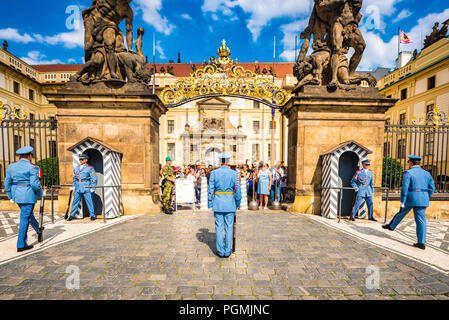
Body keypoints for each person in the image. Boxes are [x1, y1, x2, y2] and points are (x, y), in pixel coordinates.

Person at [382, 155, 436, 250]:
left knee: (401, 212)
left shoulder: (408, 172)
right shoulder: (427, 173)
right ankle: (421, 242)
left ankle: (391, 226)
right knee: (421, 220)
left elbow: (405, 188)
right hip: (422, 199)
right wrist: (426, 196)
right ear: (418, 163)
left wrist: (402, 200)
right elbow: (432, 188)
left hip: (410, 198)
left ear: (411, 162)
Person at [5, 146, 45, 252]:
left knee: (27, 215)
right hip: (27, 195)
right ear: (30, 156)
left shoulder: (11, 166)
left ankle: (38, 229)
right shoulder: (32, 167)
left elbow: (7, 182)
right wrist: (41, 193)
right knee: (24, 219)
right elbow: (34, 184)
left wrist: (10, 196)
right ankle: (21, 245)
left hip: (16, 195)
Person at [208, 153, 242, 258]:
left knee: (219, 227)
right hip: (230, 202)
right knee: (229, 227)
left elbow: (211, 189)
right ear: (228, 161)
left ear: (220, 161)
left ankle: (220, 251)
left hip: (218, 201)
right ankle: (227, 251)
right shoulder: (234, 174)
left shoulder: (214, 173)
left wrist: (210, 202)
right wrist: (237, 202)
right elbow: (237, 190)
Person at [67, 154, 98, 221]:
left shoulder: (90, 168)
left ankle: (92, 215)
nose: (81, 160)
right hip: (78, 186)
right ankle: (72, 215)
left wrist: (93, 187)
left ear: (86, 160)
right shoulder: (77, 168)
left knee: (89, 201)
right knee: (75, 201)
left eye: (82, 159)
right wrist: (73, 185)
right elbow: (75, 177)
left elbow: (94, 178)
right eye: (80, 159)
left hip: (86, 185)